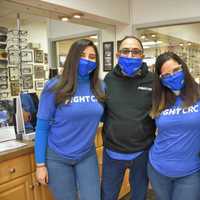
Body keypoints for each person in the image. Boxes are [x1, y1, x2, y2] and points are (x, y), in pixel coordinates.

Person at [34, 39, 105, 200]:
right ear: (73, 57)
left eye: (92, 56)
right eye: (82, 55)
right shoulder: (54, 87)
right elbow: (42, 127)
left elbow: (107, 115)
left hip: (86, 154)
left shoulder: (100, 87)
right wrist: (40, 165)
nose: (87, 60)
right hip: (57, 156)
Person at [102, 36, 156, 200]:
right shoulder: (109, 79)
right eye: (125, 51)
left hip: (142, 153)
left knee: (139, 196)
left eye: (135, 52)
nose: (130, 56)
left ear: (142, 55)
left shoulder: (153, 80)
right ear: (118, 54)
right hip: (112, 153)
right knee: (107, 196)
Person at [148, 52, 200, 200]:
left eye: (176, 70)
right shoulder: (159, 99)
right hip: (158, 168)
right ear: (160, 79)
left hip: (190, 171)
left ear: (183, 67)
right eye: (166, 75)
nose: (173, 76)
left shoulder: (198, 94)